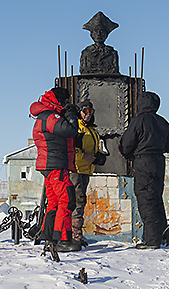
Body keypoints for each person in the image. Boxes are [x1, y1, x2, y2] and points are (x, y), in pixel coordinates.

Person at [30, 87, 81, 252]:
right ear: (59, 101)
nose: (66, 104)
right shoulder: (51, 116)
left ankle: (50, 236)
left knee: (54, 202)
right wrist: (72, 114)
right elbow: (70, 130)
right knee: (67, 199)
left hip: (49, 165)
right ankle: (63, 240)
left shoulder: (45, 115)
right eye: (65, 101)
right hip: (55, 164)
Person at [119, 91, 169, 249]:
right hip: (159, 162)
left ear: (140, 104)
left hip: (143, 162)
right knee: (156, 198)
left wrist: (129, 155)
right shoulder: (163, 122)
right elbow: (168, 147)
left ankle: (151, 240)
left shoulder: (138, 121)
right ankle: (163, 234)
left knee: (146, 199)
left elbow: (126, 144)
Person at [70, 100, 102, 247]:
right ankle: (74, 235)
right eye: (85, 111)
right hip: (76, 169)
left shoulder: (92, 130)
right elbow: (71, 148)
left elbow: (96, 147)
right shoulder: (77, 128)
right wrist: (83, 155)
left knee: (81, 202)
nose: (88, 115)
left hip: (86, 170)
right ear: (79, 112)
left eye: (91, 112)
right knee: (77, 201)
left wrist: (99, 156)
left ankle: (77, 234)